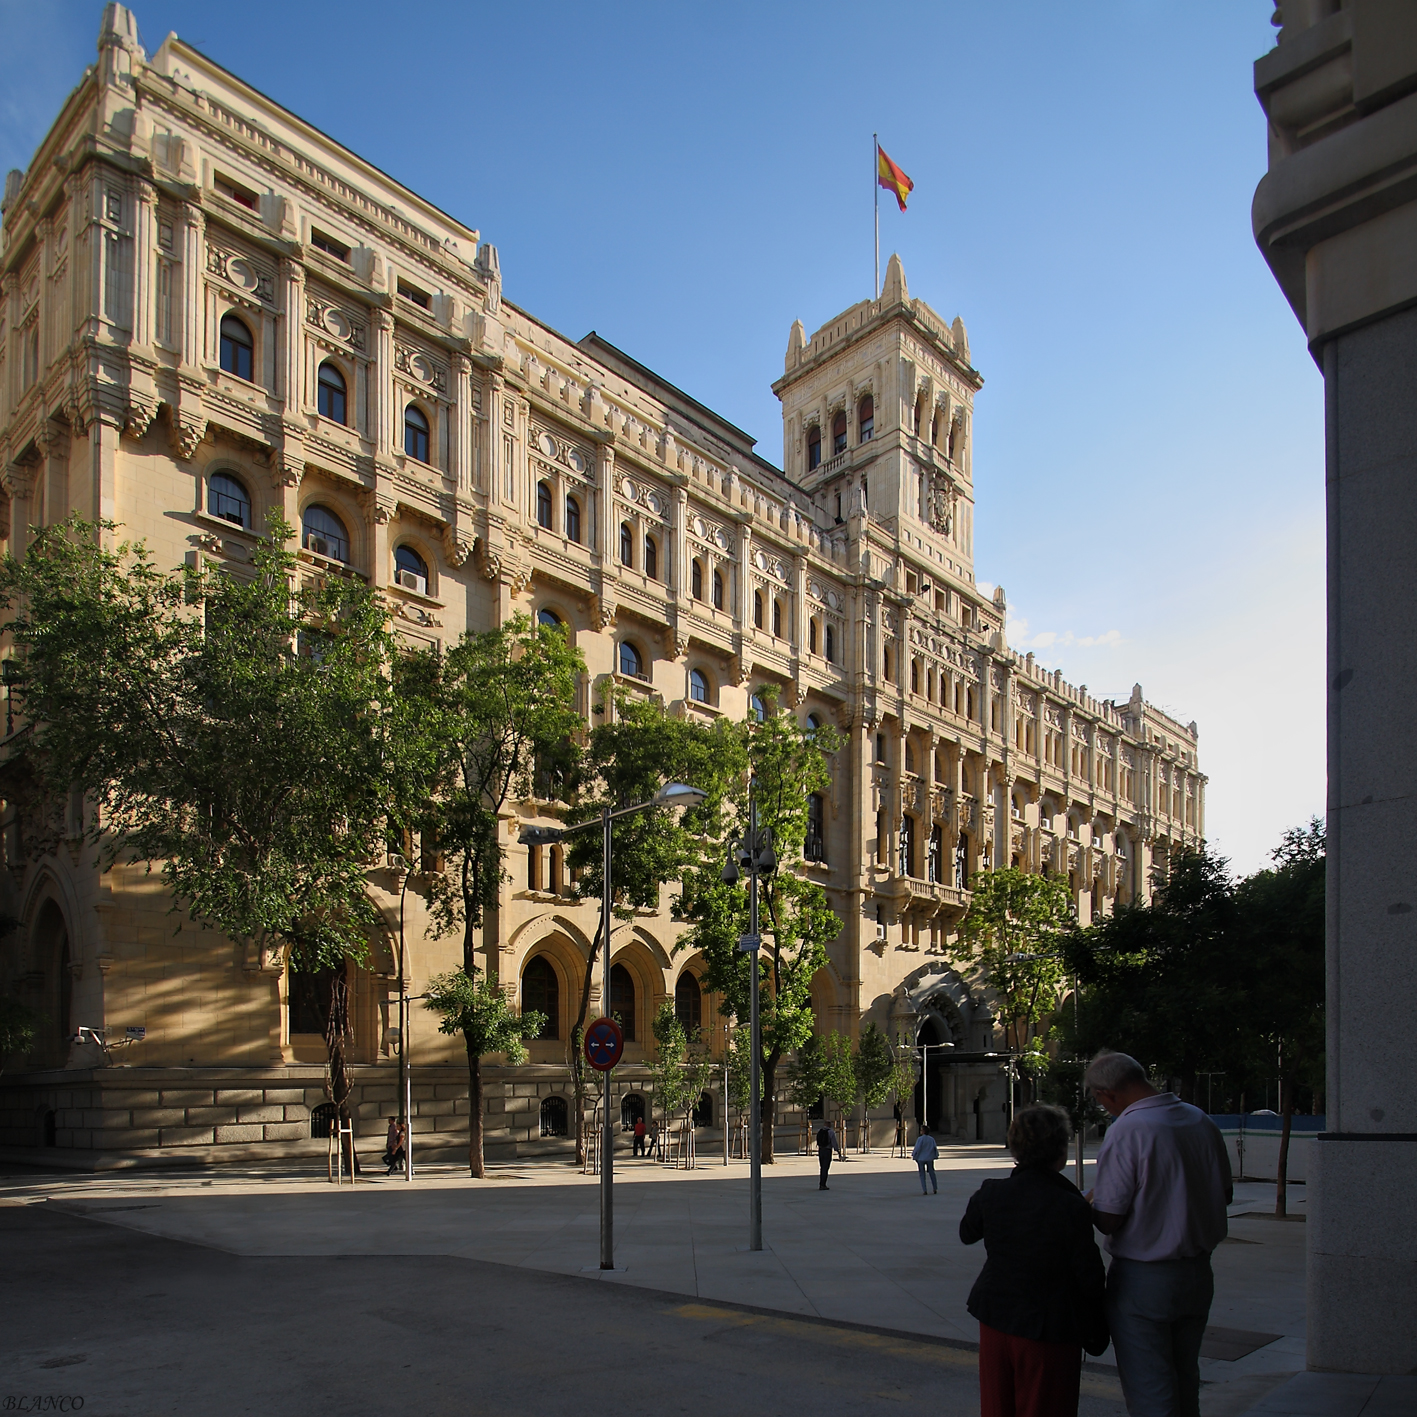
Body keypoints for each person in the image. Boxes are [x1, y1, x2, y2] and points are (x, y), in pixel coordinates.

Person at [1085, 1052, 1232, 1417]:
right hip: (1198, 1272)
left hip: (1144, 1279)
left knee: (1150, 1387)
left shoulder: (1129, 1130)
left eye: (1098, 1099)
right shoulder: (1200, 1120)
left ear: (1107, 1093)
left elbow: (1109, 1218)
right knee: (1185, 1380)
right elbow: (1224, 1193)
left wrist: (1083, 1203)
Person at [960, 1105, 1108, 1417]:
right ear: (1060, 1150)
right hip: (1048, 1327)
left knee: (997, 1406)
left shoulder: (993, 1192)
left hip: (996, 1318)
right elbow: (1090, 1277)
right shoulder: (1069, 1206)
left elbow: (967, 1232)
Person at [913, 1124, 939, 1194]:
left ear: (923, 1131)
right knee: (932, 1173)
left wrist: (914, 1155)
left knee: (922, 1174)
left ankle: (924, 1190)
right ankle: (935, 1188)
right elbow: (934, 1148)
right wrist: (936, 1155)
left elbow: (917, 1148)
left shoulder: (920, 1139)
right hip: (929, 1158)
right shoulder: (931, 1139)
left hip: (921, 1158)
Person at [816, 1121, 838, 1189]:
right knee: (826, 1168)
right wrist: (837, 1150)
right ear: (829, 1125)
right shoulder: (831, 1132)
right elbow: (834, 1142)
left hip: (821, 1150)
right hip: (827, 1150)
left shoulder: (819, 1131)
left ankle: (821, 1183)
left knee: (822, 1167)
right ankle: (823, 1184)